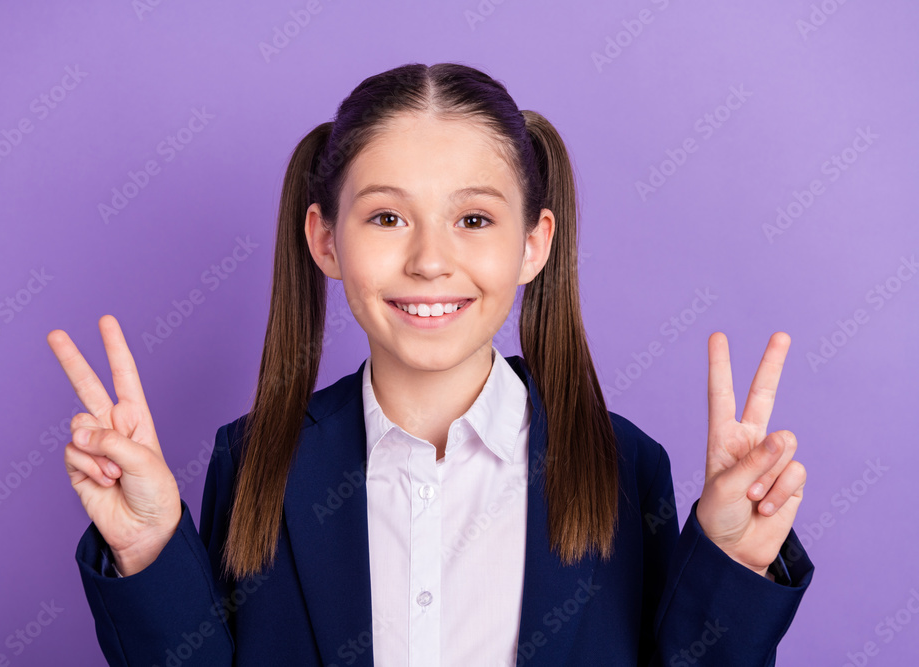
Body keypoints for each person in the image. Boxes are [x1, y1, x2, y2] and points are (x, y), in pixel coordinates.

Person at [47, 62, 813, 666]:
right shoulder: (254, 462)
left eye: (474, 218)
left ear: (533, 244)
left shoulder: (623, 465)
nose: (429, 260)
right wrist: (148, 547)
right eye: (386, 216)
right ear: (325, 241)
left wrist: (733, 564)